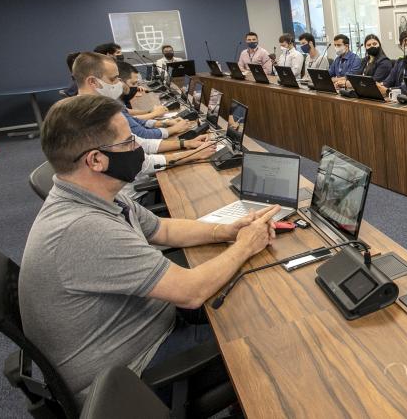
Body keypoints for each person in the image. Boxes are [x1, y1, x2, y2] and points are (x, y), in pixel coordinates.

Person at [19, 94, 279, 401]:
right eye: (128, 142)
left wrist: (226, 231)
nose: (138, 147)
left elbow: (163, 228)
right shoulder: (84, 229)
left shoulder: (95, 194)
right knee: (269, 336)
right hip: (132, 379)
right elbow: (191, 292)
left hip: (140, 329)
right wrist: (246, 245)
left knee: (251, 299)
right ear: (96, 160)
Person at [73, 52, 192, 140]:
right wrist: (180, 140)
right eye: (114, 79)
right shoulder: (94, 114)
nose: (118, 83)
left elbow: (134, 123)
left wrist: (164, 123)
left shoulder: (100, 104)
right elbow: (140, 138)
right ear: (92, 82)